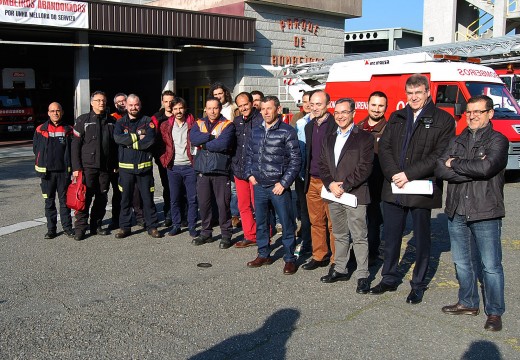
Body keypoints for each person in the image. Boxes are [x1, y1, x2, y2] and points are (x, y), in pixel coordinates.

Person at [369, 74, 455, 304]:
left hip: (420, 186)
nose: (414, 97)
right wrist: (394, 174)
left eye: (418, 92)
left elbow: (439, 154)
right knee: (391, 235)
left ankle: (417, 284)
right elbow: (384, 148)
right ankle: (388, 277)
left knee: (422, 239)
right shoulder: (397, 117)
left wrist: (409, 174)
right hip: (394, 184)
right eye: (410, 93)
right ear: (405, 94)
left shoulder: (443, 120)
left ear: (428, 92)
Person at [435, 95, 508, 331]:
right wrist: (470, 166)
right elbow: (439, 168)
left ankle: (494, 312)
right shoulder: (457, 140)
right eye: (469, 112)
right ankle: (468, 302)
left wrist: (454, 164)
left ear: (490, 113)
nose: (473, 116)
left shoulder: (499, 140)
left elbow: (487, 168)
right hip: (457, 210)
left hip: (485, 210)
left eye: (478, 111)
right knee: (462, 262)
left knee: (490, 265)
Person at [318, 98, 373, 293]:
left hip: (354, 194)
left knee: (359, 236)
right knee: (340, 234)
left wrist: (346, 185)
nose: (340, 116)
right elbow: (322, 165)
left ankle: (362, 274)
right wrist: (331, 184)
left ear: (353, 113)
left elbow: (365, 167)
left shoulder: (364, 138)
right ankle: (340, 268)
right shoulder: (329, 137)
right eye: (337, 113)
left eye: (344, 112)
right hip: (334, 194)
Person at [245, 95, 301, 275]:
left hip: (278, 187)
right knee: (261, 222)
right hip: (259, 185)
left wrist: (284, 183)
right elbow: (249, 155)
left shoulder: (287, 131)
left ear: (277, 109)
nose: (265, 112)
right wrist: (250, 174)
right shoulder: (256, 130)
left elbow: (295, 161)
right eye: (262, 108)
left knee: (286, 223)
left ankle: (290, 258)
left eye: (269, 108)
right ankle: (263, 254)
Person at [113, 94, 162, 239]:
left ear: (140, 105)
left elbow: (150, 140)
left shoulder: (148, 121)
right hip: (126, 169)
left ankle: (152, 227)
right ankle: (124, 227)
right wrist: (136, 137)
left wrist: (129, 142)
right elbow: (117, 138)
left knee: (147, 199)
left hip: (144, 169)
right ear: (126, 106)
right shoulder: (120, 122)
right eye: (131, 105)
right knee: (125, 199)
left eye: (136, 105)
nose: (134, 107)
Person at [71, 91, 118, 241]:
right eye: (98, 100)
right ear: (92, 103)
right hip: (87, 168)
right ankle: (80, 228)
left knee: (102, 197)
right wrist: (77, 168)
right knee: (84, 198)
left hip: (105, 168)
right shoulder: (83, 120)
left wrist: (115, 164)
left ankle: (96, 225)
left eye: (103, 100)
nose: (101, 103)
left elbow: (115, 146)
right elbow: (75, 146)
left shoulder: (111, 121)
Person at [190, 97, 236, 249]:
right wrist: (211, 137)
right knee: (204, 204)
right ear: (205, 109)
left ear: (220, 108)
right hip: (202, 170)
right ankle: (206, 233)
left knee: (223, 205)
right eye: (209, 108)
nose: (212, 111)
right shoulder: (198, 123)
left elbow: (223, 144)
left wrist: (204, 144)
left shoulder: (228, 125)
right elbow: (193, 138)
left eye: (215, 108)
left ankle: (226, 235)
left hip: (220, 171)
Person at [302, 90, 337, 272]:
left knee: (333, 224)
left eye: (319, 104)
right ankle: (319, 255)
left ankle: (336, 260)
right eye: (312, 104)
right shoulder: (309, 126)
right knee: (316, 221)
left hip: (329, 181)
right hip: (312, 180)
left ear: (327, 105)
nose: (314, 108)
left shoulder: (335, 125)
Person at [158, 96, 199, 238]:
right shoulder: (165, 125)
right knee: (174, 198)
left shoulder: (194, 124)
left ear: (185, 108)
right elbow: (161, 144)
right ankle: (176, 225)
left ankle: (192, 225)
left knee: (192, 198)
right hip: (173, 167)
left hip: (190, 166)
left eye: (180, 108)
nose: (178, 111)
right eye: (175, 108)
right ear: (171, 110)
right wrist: (164, 159)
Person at [33, 102, 74, 239]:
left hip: (63, 173)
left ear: (62, 112)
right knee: (49, 202)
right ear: (48, 113)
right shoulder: (40, 129)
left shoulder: (68, 129)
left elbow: (73, 151)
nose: (55, 113)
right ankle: (51, 230)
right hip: (47, 173)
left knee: (64, 202)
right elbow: (36, 149)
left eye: (58, 111)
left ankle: (67, 228)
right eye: (52, 111)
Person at [356, 91, 388, 264]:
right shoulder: (359, 127)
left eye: (380, 105)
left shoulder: (389, 129)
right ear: (367, 105)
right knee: (359, 218)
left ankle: (372, 252)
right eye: (374, 105)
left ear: (385, 108)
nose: (376, 109)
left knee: (374, 219)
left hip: (378, 181)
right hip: (360, 182)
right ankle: (359, 251)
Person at [231, 92, 263, 248]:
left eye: (246, 104)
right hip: (239, 169)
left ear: (252, 103)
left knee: (259, 204)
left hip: (255, 170)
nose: (243, 108)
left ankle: (265, 231)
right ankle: (250, 235)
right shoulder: (237, 122)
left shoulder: (261, 120)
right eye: (240, 105)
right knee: (243, 205)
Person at [208, 82, 240, 227]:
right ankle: (218, 214)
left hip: (232, 151)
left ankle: (234, 214)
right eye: (215, 95)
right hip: (216, 153)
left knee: (233, 187)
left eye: (220, 93)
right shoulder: (208, 111)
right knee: (217, 186)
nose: (218, 96)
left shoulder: (234, 109)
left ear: (225, 93)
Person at [151, 90, 176, 227]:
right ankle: (168, 213)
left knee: (180, 187)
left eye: (171, 101)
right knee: (167, 186)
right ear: (162, 102)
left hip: (180, 157)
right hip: (163, 158)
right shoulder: (156, 118)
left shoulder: (181, 114)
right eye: (165, 101)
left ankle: (180, 213)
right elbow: (153, 138)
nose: (168, 104)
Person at [293, 91, 313, 253]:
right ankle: (306, 241)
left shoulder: (328, 122)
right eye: (305, 102)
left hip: (316, 174)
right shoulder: (300, 123)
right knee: (304, 209)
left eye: (310, 101)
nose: (307, 105)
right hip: (301, 173)